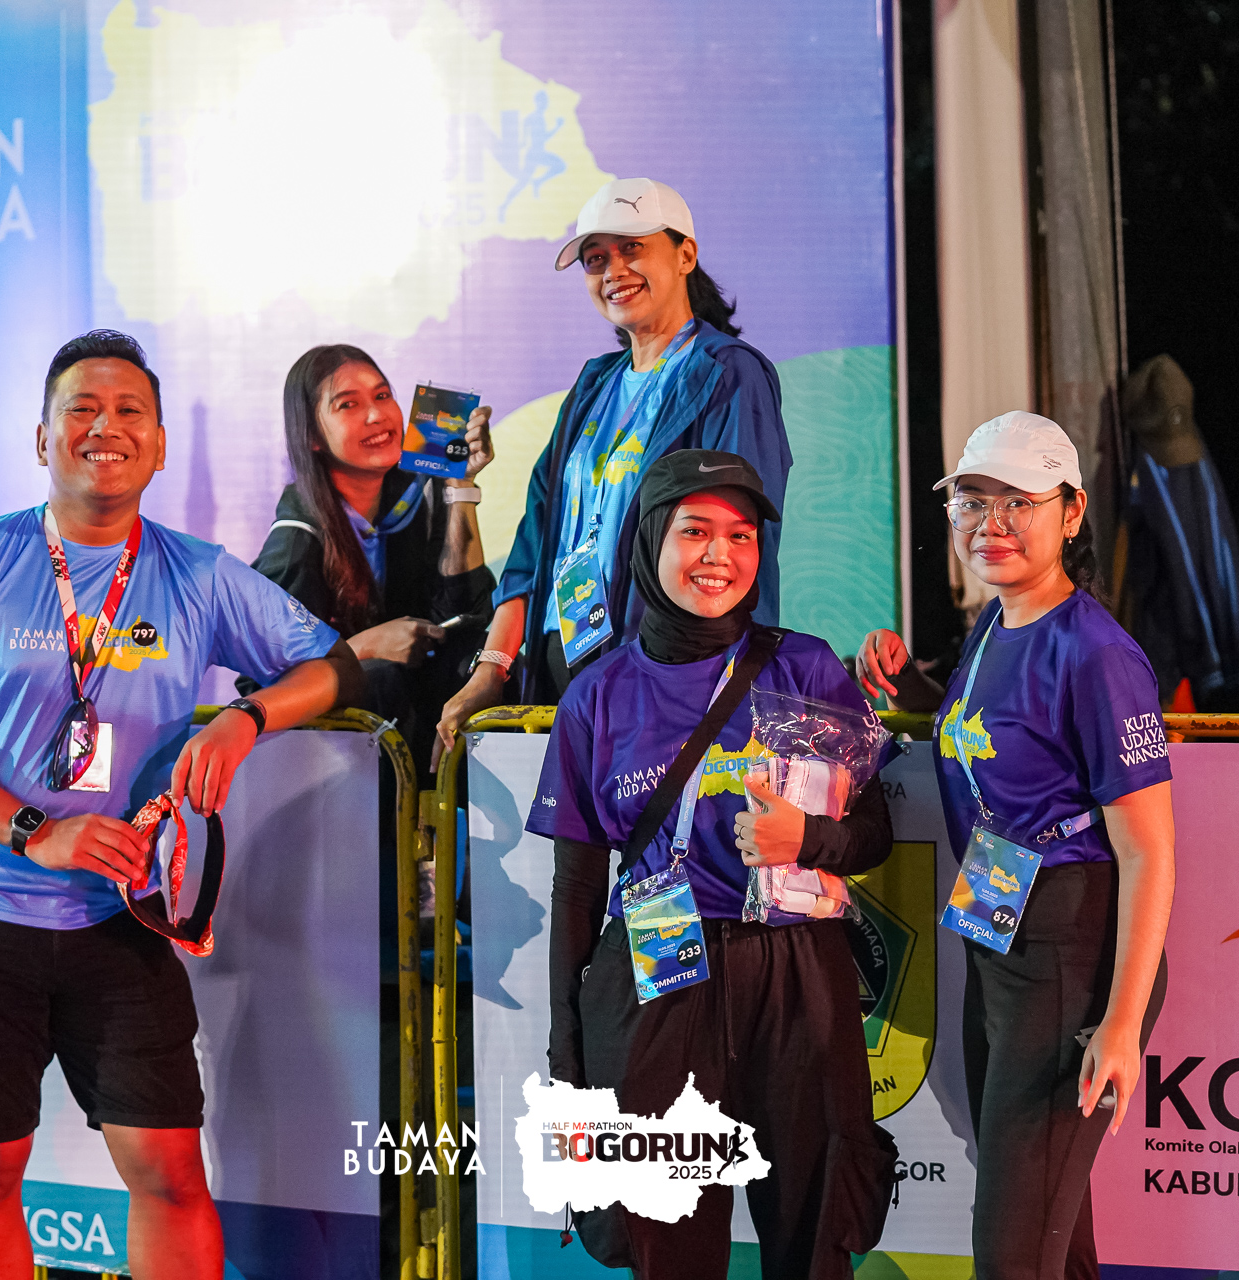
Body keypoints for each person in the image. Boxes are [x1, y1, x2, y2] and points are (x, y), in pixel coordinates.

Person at [0, 330, 363, 1279]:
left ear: (160, 443)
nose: (107, 427)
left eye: (130, 410)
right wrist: (33, 832)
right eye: (82, 410)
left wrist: (244, 719)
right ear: (42, 438)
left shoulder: (197, 573)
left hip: (120, 915)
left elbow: (333, 666)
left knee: (170, 1170)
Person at [529, 451, 894, 1279]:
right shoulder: (597, 695)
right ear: (651, 540)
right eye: (695, 532)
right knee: (665, 1242)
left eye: (741, 535)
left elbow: (873, 831)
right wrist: (566, 1052)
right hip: (655, 978)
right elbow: (577, 890)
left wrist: (809, 841)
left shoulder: (806, 668)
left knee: (814, 1232)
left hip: (798, 975)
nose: (719, 556)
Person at [856, 411, 1176, 1280]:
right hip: (999, 938)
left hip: (1070, 956)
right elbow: (991, 738)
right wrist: (907, 685)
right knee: (1049, 1242)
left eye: (1017, 503)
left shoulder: (1098, 655)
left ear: (1071, 512)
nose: (989, 524)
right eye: (971, 502)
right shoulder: (997, 623)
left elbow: (1149, 852)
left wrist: (1120, 1025)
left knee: (1011, 1252)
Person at [437, 177, 793, 757]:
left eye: (632, 248)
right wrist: (491, 669)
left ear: (685, 255)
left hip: (663, 678)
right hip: (562, 664)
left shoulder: (727, 373)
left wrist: (702, 689)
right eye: (596, 258)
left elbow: (735, 547)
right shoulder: (593, 385)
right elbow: (535, 545)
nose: (613, 270)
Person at [253, 344, 494, 770]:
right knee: (381, 677)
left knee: (482, 664)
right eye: (348, 404)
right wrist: (363, 648)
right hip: (332, 759)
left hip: (416, 718)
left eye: (382, 396)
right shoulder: (296, 540)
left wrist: (461, 487)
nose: (375, 415)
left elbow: (467, 613)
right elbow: (260, 679)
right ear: (312, 436)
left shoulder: (421, 490)